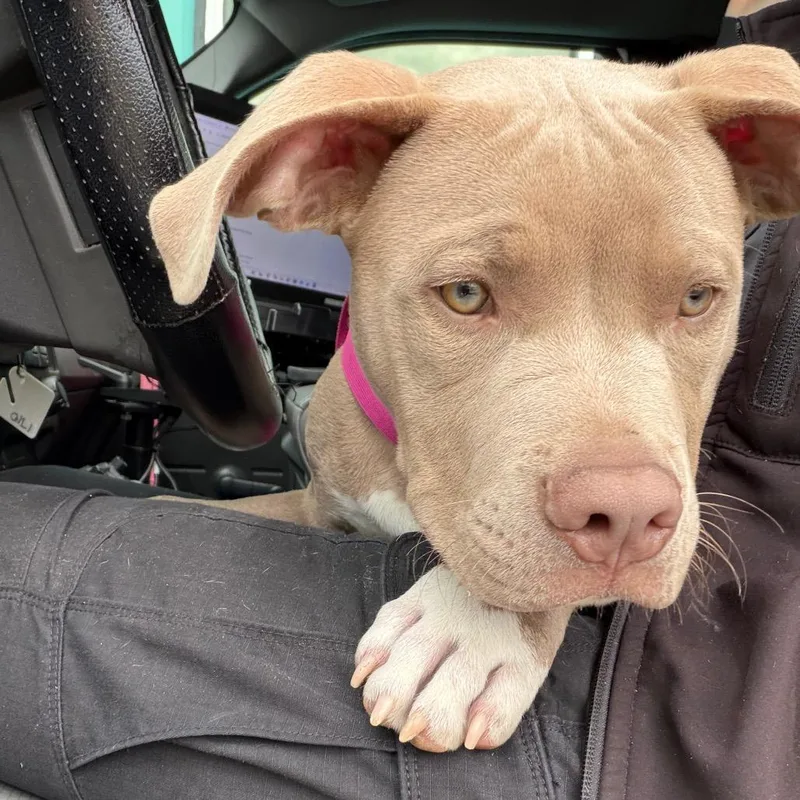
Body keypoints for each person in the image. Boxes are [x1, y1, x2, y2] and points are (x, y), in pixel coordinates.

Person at [1, 2, 799, 798]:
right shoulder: (353, 413)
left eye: (695, 299)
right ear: (323, 168)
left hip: (671, 720)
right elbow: (328, 513)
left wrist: (523, 603)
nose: (624, 498)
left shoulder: (736, 135)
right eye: (465, 292)